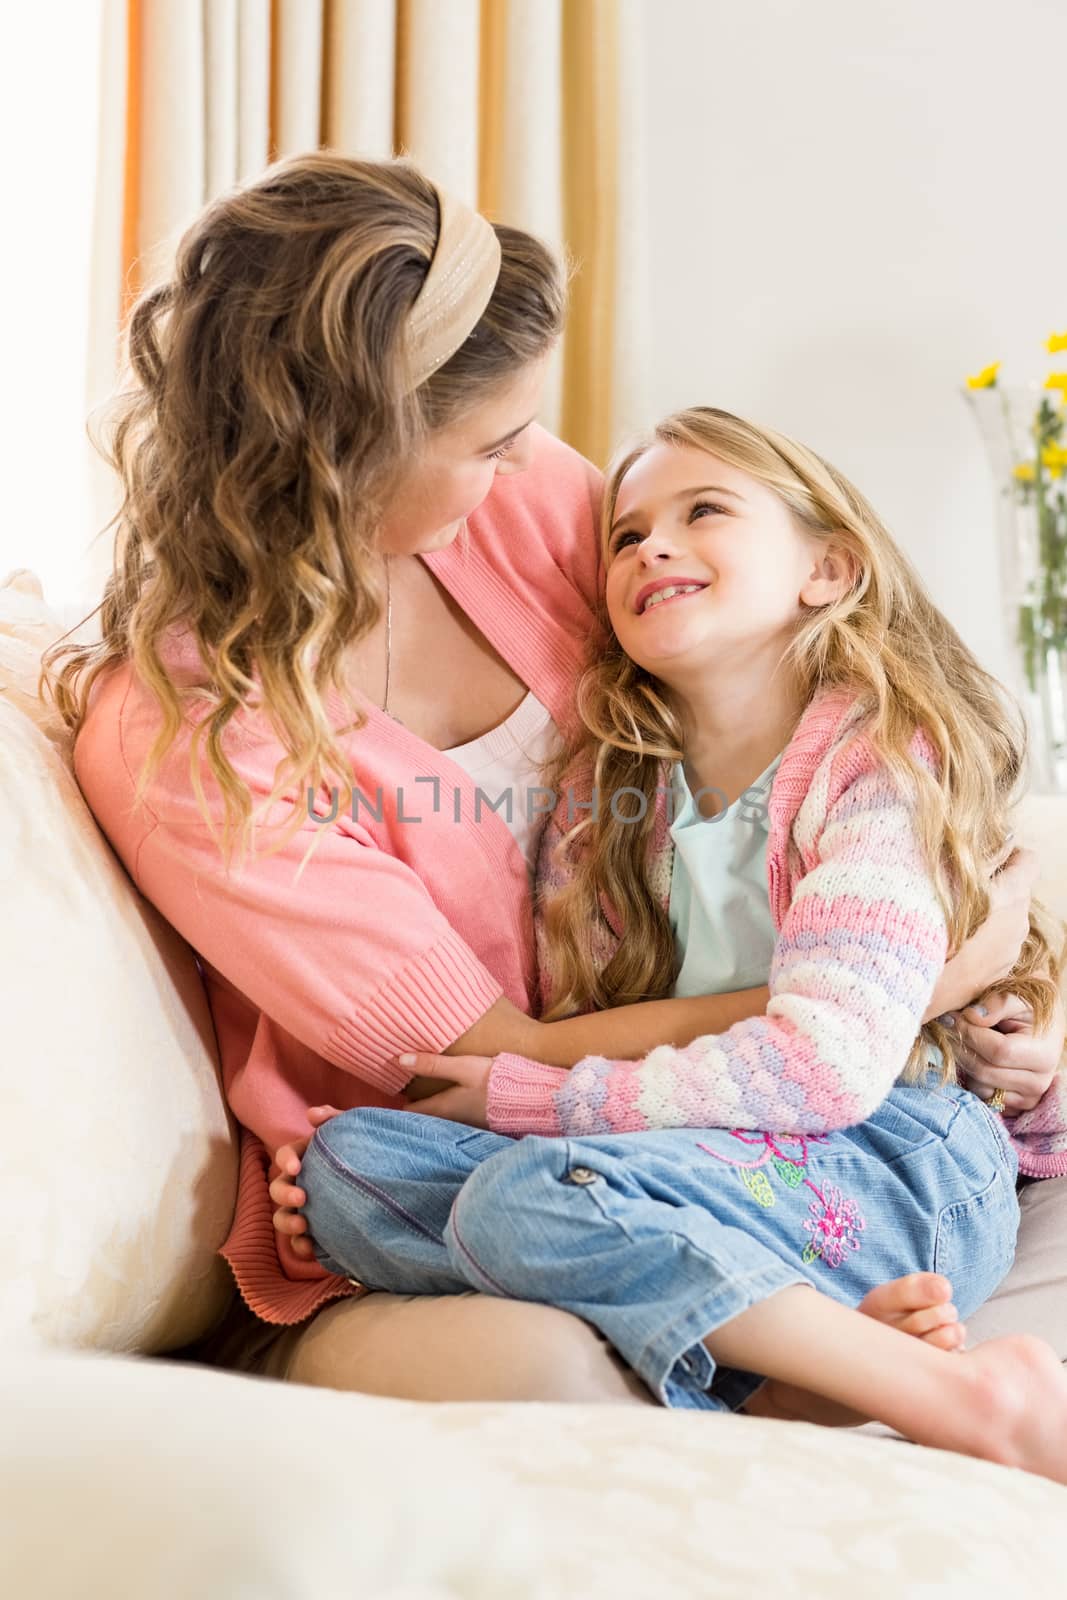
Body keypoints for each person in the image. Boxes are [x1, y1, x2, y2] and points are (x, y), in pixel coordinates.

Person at [48, 152, 1049, 1403]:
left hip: (736, 1109)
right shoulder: (188, 742)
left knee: (559, 1271)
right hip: (488, 1127)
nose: (543, 472)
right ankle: (803, 1347)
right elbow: (477, 1062)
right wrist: (904, 988)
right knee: (463, 1263)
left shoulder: (522, 513)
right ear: (348, 449)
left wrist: (968, 968)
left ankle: (848, 1358)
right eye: (492, 441)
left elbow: (822, 729)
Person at [280, 407, 1067, 1481]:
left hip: (887, 1155)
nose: (649, 543)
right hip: (701, 1161)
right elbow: (591, 1035)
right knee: (352, 1171)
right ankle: (782, 1377)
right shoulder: (606, 803)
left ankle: (954, 1393)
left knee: (530, 1194)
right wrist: (529, 1108)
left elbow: (822, 1067)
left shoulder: (875, 762)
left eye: (703, 510)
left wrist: (523, 1102)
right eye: (624, 531)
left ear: (827, 570)